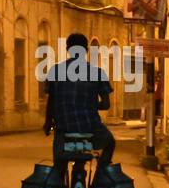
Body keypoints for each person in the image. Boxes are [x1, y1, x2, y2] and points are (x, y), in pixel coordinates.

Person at [43, 32, 115, 170]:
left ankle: (59, 181)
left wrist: (47, 123)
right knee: (110, 143)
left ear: (67, 49)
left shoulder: (55, 71)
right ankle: (101, 176)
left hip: (64, 129)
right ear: (86, 51)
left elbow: (51, 102)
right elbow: (106, 105)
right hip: (91, 128)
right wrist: (89, 105)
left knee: (58, 166)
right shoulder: (97, 73)